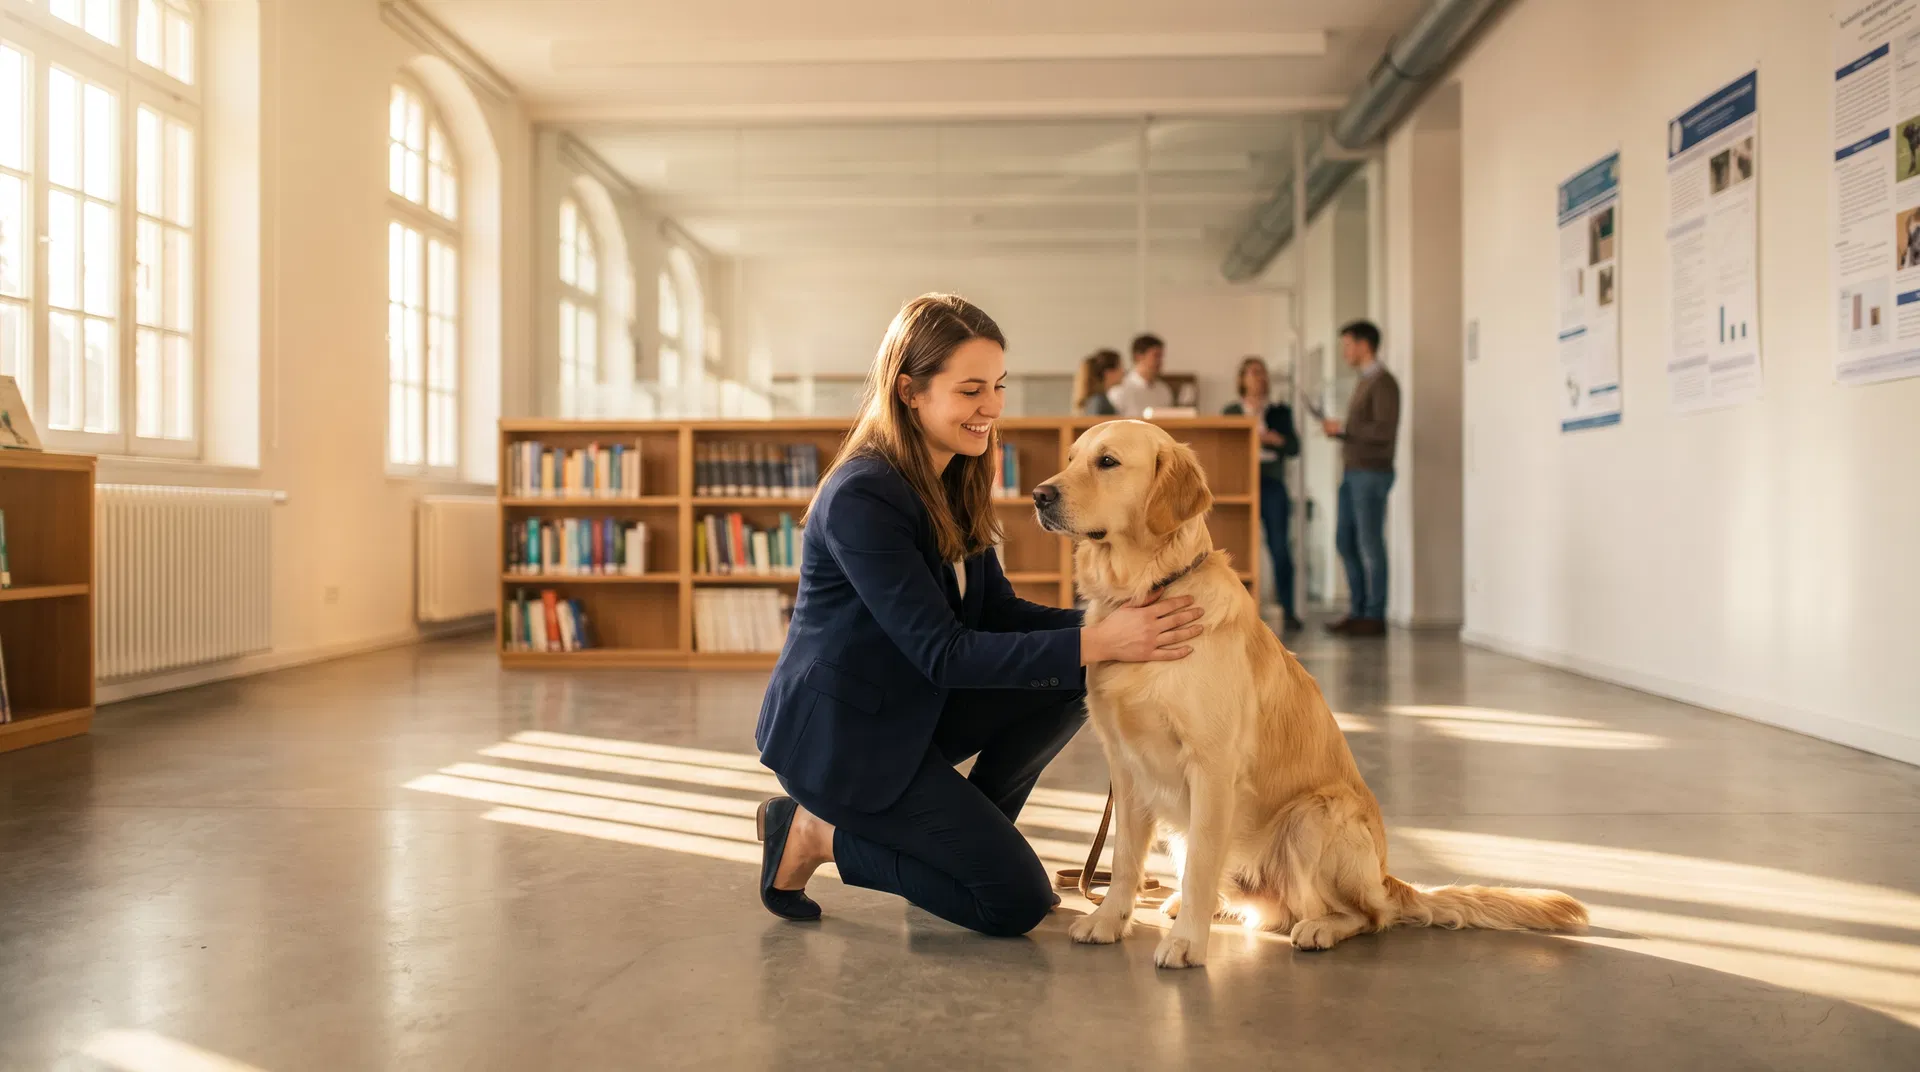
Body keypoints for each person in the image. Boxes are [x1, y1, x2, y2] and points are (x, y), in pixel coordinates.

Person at [753, 293, 1207, 937]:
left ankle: (953, 847)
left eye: (996, 386)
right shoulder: (863, 495)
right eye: (970, 390)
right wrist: (1101, 638)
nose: (990, 407)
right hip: (845, 740)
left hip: (912, 709)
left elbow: (994, 612)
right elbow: (944, 651)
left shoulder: (956, 476)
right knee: (1013, 902)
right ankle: (812, 832)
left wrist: (1123, 628)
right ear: (910, 390)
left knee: (1077, 675)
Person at [1319, 320, 1399, 637]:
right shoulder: (1364, 381)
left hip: (1372, 474)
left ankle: (1374, 614)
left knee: (1369, 543)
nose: (1344, 352)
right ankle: (1359, 609)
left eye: (1348, 345)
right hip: (1353, 472)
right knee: (1345, 540)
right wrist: (1341, 432)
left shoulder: (1383, 383)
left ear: (1365, 345)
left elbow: (1383, 431)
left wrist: (1344, 429)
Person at [1222, 356, 1302, 632]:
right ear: (1242, 379)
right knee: (1236, 547)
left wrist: (1272, 439)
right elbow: (1225, 446)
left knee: (1280, 547)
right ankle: (1233, 609)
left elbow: (1293, 447)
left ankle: (1289, 610)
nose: (1260, 378)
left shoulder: (1280, 411)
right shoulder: (1231, 411)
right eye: (1254, 373)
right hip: (1240, 482)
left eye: (1263, 372)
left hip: (1271, 481)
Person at [1106, 333, 1173, 417]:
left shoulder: (1164, 390)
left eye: (1161, 356)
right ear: (1139, 357)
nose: (1160, 361)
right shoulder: (1119, 390)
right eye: (1156, 356)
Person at [1072, 348, 1123, 416]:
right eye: (1120, 367)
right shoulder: (1099, 402)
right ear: (1108, 373)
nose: (1123, 372)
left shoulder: (1097, 400)